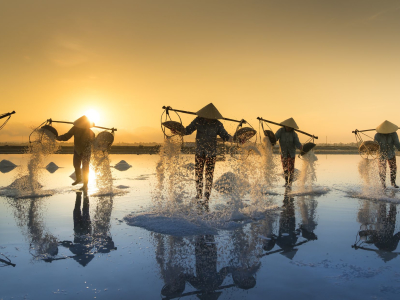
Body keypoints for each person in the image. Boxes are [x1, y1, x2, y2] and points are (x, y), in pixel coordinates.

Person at [183, 103, 233, 202]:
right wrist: (178, 130)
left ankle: (206, 196)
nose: (208, 119)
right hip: (199, 152)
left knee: (209, 175)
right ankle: (199, 194)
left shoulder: (217, 124)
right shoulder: (198, 120)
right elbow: (187, 130)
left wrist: (233, 138)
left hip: (211, 153)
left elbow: (225, 136)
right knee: (198, 174)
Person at [56, 116, 95, 191]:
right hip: (77, 149)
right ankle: (78, 179)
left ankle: (85, 185)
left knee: (85, 167)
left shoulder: (90, 132)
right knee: (76, 165)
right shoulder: (74, 128)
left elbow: (94, 141)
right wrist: (58, 138)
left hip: (86, 151)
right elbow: (66, 136)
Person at [275, 118, 302, 187]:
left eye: (290, 127)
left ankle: (290, 183)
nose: (288, 128)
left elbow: (297, 143)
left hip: (291, 153)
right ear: (285, 125)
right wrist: (271, 139)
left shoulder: (294, 134)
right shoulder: (280, 131)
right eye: (287, 126)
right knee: (285, 168)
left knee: (291, 168)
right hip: (283, 153)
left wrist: (301, 148)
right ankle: (286, 182)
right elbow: (275, 138)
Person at [374, 120, 400, 189]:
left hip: (391, 153)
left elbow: (397, 144)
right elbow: (375, 145)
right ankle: (383, 184)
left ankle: (393, 183)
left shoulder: (394, 134)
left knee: (393, 168)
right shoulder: (377, 135)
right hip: (381, 154)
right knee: (382, 169)